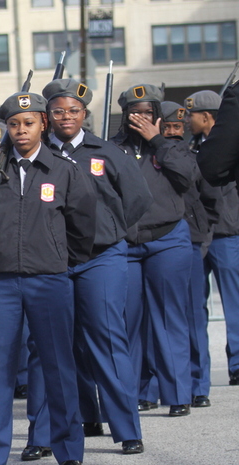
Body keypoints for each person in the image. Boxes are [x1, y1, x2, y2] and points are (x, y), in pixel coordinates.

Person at [0, 91, 96, 465]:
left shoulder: (63, 169)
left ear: (44, 124)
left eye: (30, 123)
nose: (21, 131)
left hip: (48, 280)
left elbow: (83, 225)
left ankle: (69, 453)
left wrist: (60, 259)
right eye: (14, 124)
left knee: (58, 367)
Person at [42, 78, 152, 454]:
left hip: (101, 258)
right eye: (58, 111)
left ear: (84, 115)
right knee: (63, 346)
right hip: (54, 260)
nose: (66, 117)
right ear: (48, 116)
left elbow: (137, 198)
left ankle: (127, 428)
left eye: (73, 111)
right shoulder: (37, 154)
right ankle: (85, 418)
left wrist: (111, 229)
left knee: (106, 339)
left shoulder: (106, 152)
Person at [111, 84, 195, 417]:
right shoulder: (113, 148)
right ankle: (134, 393)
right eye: (136, 112)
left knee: (168, 317)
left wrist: (158, 141)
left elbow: (189, 178)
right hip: (128, 244)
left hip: (168, 238)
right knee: (127, 321)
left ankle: (177, 393)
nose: (142, 118)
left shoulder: (172, 147)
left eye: (148, 112)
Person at [160, 100, 218, 409]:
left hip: (192, 242)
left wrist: (203, 232)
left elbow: (211, 199)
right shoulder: (148, 158)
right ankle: (154, 385)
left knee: (194, 315)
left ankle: (198, 384)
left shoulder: (194, 158)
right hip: (158, 243)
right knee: (158, 320)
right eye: (167, 127)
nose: (173, 133)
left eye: (178, 128)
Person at [187, 90, 239, 390]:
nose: (186, 120)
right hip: (198, 236)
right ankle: (198, 376)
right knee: (195, 308)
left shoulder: (228, 145)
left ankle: (237, 364)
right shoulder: (187, 148)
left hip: (226, 234)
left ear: (207, 117)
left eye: (191, 115)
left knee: (234, 304)